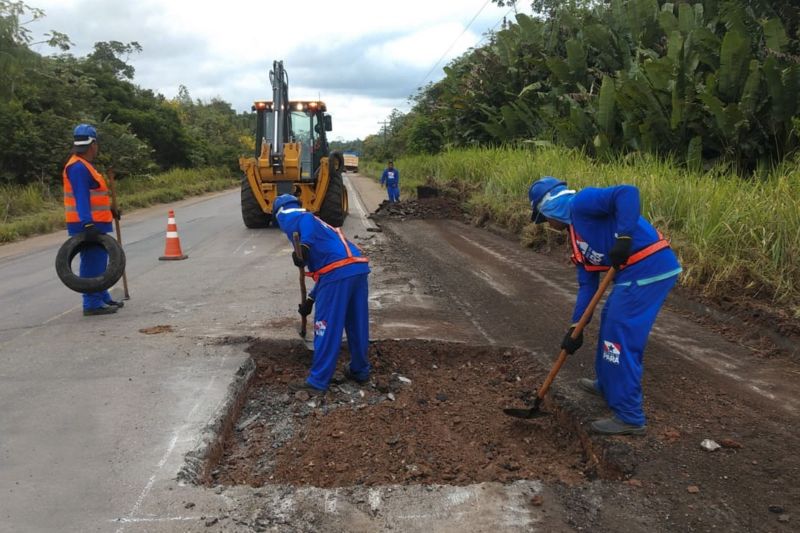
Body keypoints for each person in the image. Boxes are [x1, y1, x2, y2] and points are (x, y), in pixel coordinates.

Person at [528, 177, 682, 435]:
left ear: (550, 208)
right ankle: (608, 385)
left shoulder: (582, 203)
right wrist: (575, 328)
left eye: (544, 218)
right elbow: (587, 287)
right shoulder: (576, 239)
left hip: (650, 266)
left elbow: (627, 192)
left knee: (619, 336)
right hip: (632, 274)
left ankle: (630, 416)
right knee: (610, 321)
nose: (548, 225)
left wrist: (623, 237)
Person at [272, 194, 371, 395]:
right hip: (355, 268)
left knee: (325, 325)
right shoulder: (322, 227)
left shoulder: (295, 217)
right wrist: (311, 299)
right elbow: (327, 268)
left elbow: (306, 221)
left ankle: (317, 381)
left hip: (337, 271)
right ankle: (360, 370)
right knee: (356, 323)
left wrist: (305, 246)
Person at [63, 123, 123, 316]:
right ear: (93, 144)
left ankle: (102, 296)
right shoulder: (78, 167)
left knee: (100, 261)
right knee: (92, 262)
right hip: (87, 223)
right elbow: (81, 197)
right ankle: (92, 303)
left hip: (96, 220)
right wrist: (87, 222)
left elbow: (95, 195)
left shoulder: (85, 165)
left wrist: (111, 210)